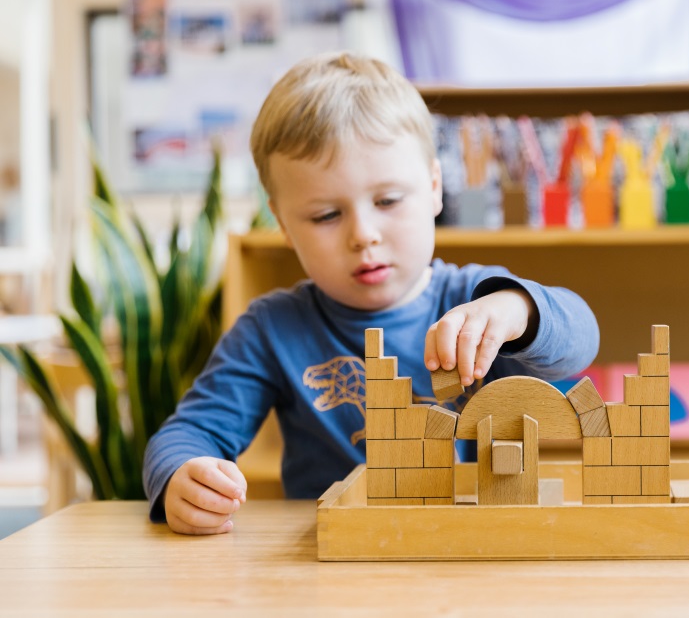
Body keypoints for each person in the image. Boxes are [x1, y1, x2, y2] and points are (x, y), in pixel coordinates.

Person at [143, 52, 599, 535]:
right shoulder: (271, 328)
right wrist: (182, 476)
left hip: (474, 549)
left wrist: (519, 310)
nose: (363, 234)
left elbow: (581, 340)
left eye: (387, 201)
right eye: (325, 215)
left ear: (434, 187)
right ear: (281, 222)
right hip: (338, 559)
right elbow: (189, 432)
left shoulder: (478, 297)